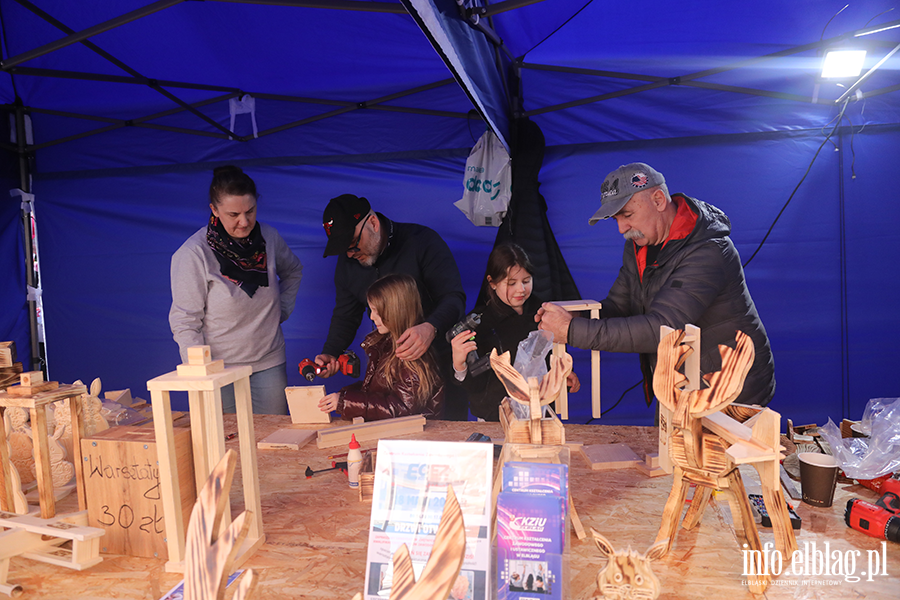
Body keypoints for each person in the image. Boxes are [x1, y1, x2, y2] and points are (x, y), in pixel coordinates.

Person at [536, 162, 775, 406]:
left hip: (728, 387)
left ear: (659, 200)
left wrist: (572, 331)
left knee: (711, 445)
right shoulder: (639, 244)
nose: (621, 228)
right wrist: (571, 317)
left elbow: (664, 328)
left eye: (627, 215)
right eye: (616, 218)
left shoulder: (709, 251)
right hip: (680, 381)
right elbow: (619, 305)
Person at [316, 194, 467, 419]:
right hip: (391, 366)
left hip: (441, 359)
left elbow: (454, 298)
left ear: (373, 224)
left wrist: (431, 327)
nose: (349, 254)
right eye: (343, 249)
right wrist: (331, 351)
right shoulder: (348, 262)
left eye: (353, 244)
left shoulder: (422, 242)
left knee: (446, 433)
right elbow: (345, 315)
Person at [169, 166, 303, 414]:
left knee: (271, 437)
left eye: (250, 211)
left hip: (268, 361)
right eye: (233, 214)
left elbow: (293, 270)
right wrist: (200, 372)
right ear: (214, 210)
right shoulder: (193, 254)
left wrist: (281, 309)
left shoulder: (269, 238)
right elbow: (185, 321)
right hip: (218, 367)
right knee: (226, 441)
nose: (244, 222)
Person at [451, 242, 579, 421]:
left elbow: (548, 359)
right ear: (492, 282)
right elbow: (474, 385)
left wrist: (561, 376)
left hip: (539, 414)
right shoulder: (478, 322)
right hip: (494, 418)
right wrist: (459, 365)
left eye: (526, 281)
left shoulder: (544, 313)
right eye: (511, 283)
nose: (521, 289)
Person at [318, 273, 444, 420]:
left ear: (395, 311)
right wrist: (343, 396)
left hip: (410, 439)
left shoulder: (412, 355)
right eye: (371, 310)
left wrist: (345, 402)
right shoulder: (382, 345)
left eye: (377, 311)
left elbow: (402, 408)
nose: (371, 317)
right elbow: (377, 391)